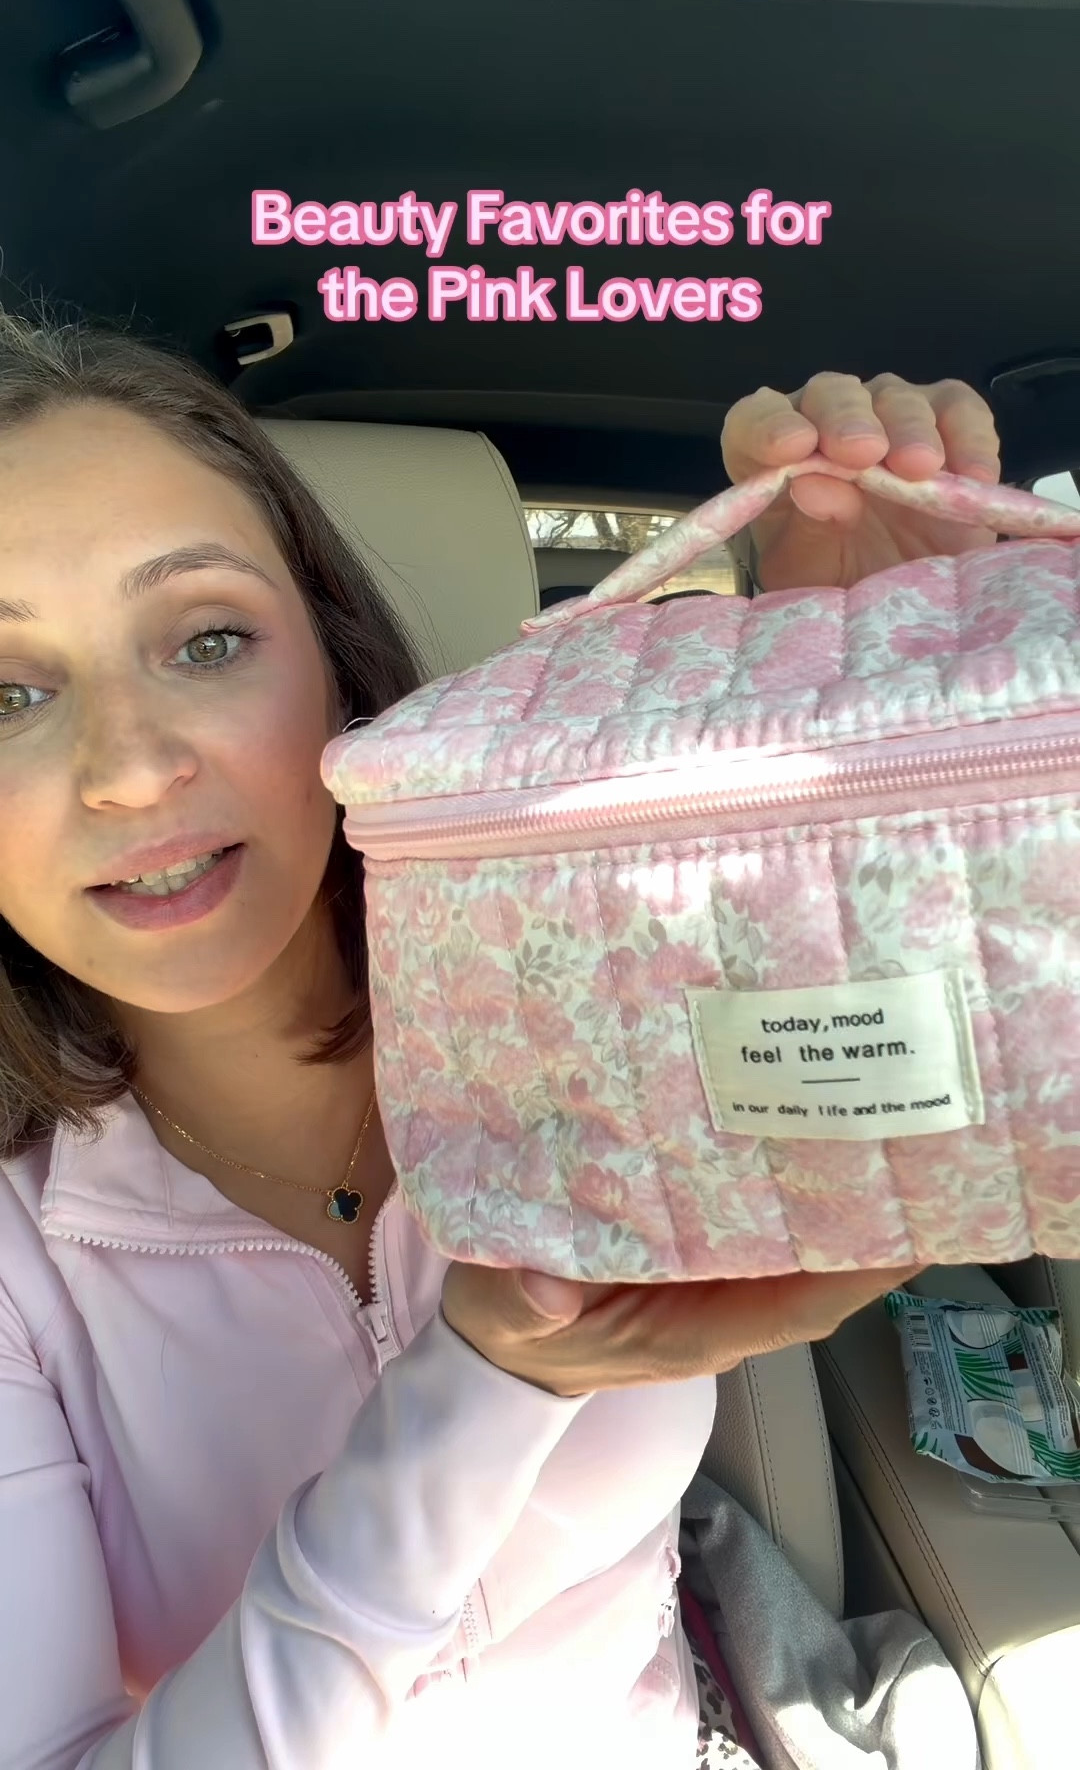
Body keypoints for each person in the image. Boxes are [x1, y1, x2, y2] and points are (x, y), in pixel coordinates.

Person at [0, 312, 1001, 1770]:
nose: (133, 768)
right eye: (7, 693)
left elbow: (963, 1055)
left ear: (334, 669)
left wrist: (861, 709)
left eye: (210, 640)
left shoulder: (604, 1006)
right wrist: (486, 1379)